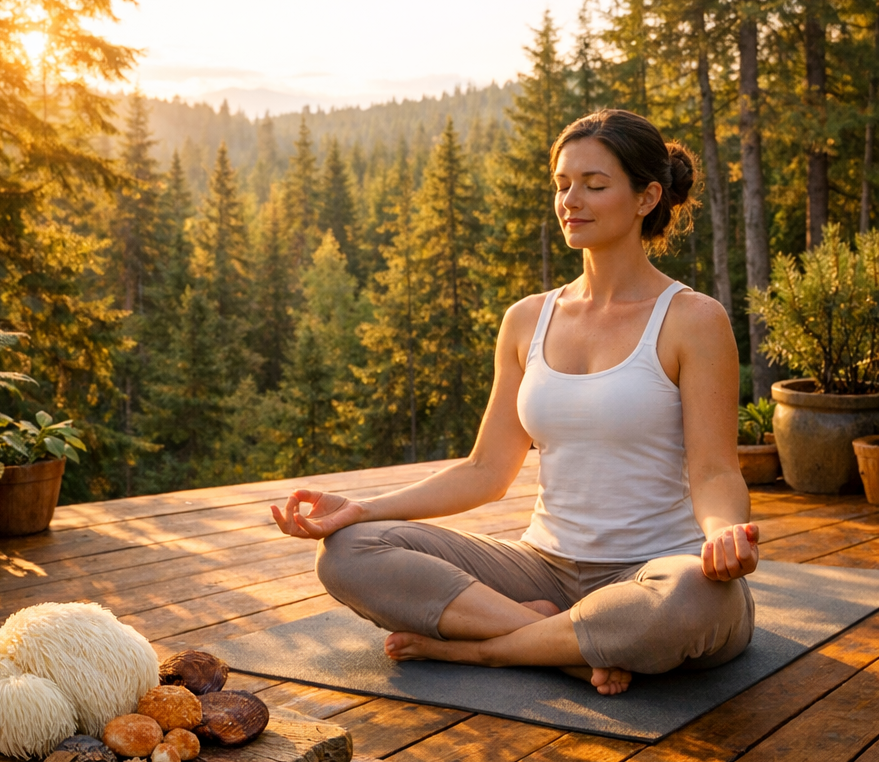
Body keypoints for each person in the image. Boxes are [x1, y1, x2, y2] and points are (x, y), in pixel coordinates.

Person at [271, 108, 757, 696]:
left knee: (691, 601)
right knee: (348, 552)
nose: (571, 200)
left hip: (654, 573)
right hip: (542, 568)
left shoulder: (693, 319)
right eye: (562, 185)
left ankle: (488, 652)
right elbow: (486, 471)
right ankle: (565, 644)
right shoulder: (527, 319)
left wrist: (724, 532)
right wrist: (364, 509)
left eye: (594, 185)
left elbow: (714, 470)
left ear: (646, 197)